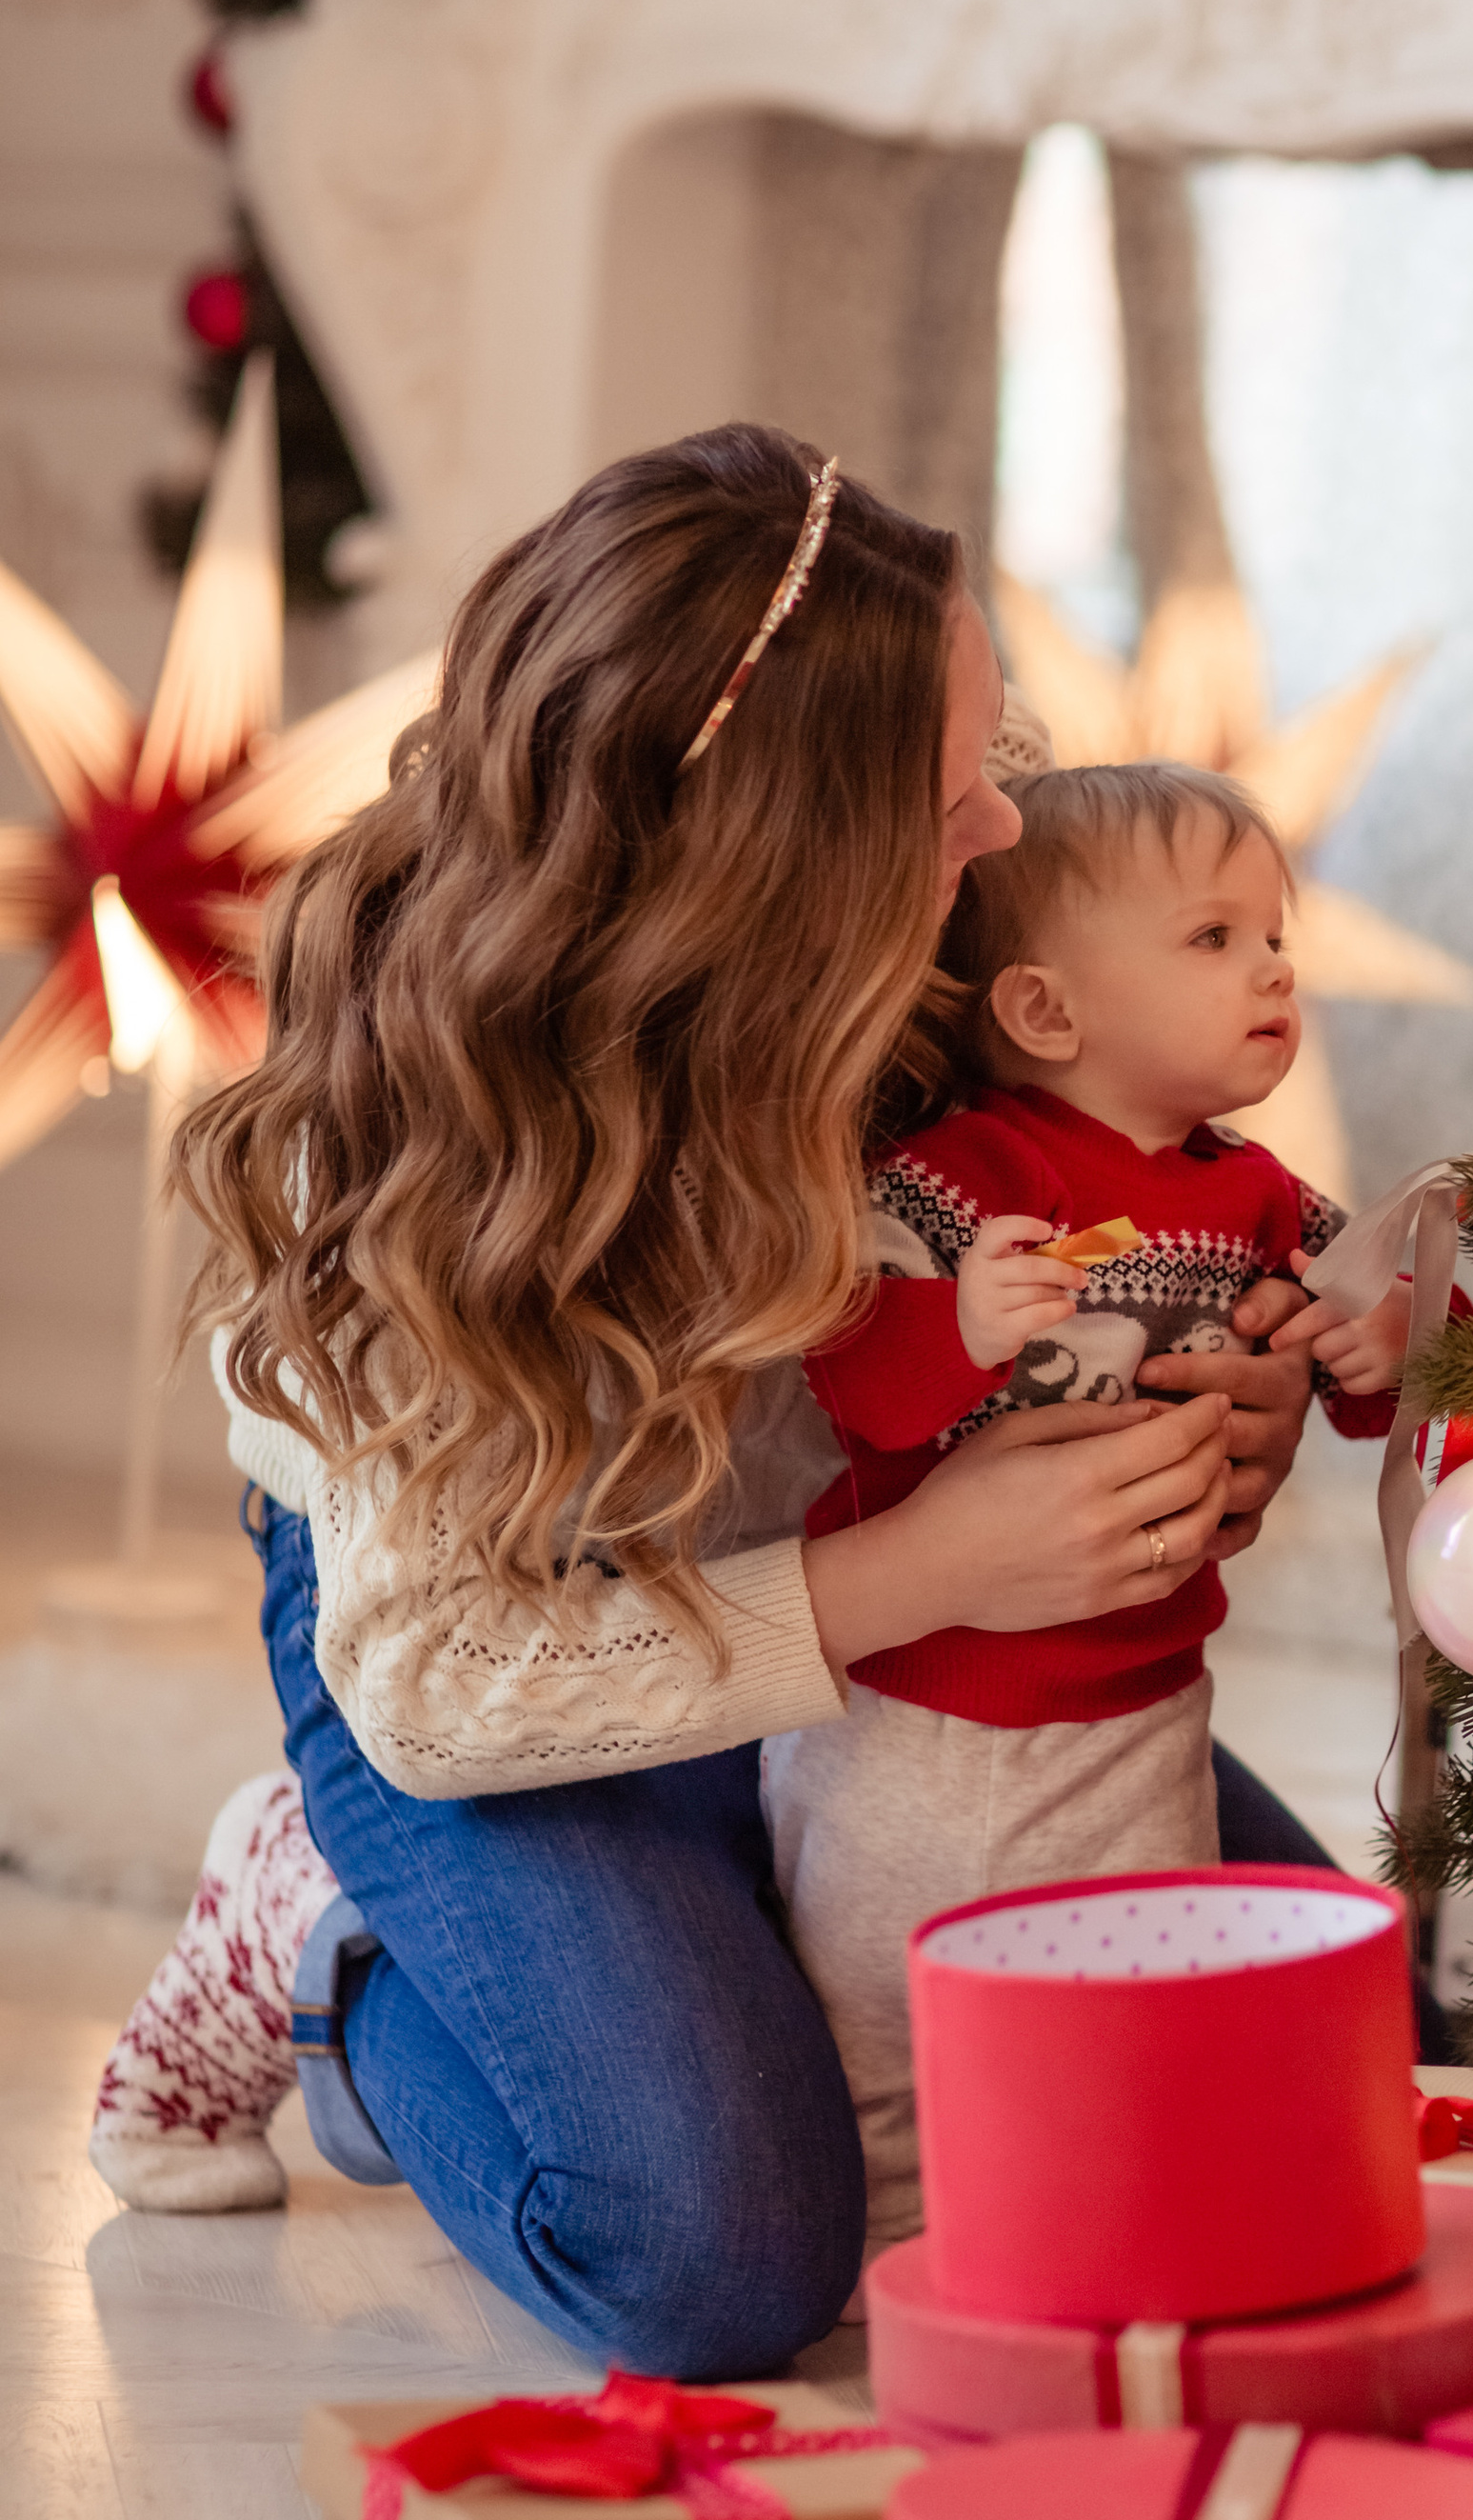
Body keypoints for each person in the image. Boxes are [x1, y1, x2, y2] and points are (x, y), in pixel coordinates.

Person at [86, 430, 1331, 2379]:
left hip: (856, 1606)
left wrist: (1205, 1411)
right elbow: (437, 1677)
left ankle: (726, 1900)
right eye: (954, 793)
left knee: (1326, 2057)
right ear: (775, 864)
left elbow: (1079, 1214)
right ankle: (322, 1934)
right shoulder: (419, 1132)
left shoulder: (923, 920)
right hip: (495, 1649)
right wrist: (928, 1572)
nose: (1004, 825)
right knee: (719, 2254)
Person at [773, 760, 1412, 2247]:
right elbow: (850, 1384)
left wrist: (1376, 1345)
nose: (1275, 968)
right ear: (1048, 1012)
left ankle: (1092, 2240)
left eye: (1274, 936)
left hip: (1143, 1720)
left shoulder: (1262, 1196)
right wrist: (957, 1325)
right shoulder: (954, 1181)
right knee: (879, 2022)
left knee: (1129, 2009)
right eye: (1214, 938)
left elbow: (1360, 1349)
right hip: (914, 1721)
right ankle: (898, 2261)